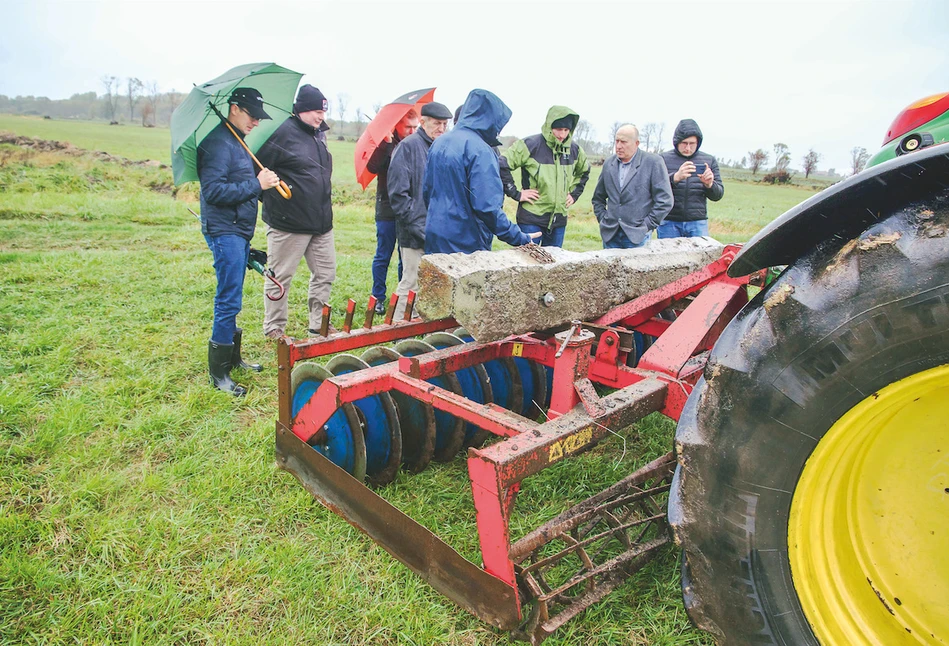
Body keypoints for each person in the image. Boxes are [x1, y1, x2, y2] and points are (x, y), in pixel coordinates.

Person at [197, 87, 281, 396]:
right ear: (234, 108)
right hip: (224, 230)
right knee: (228, 298)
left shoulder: (237, 143)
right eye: (252, 115)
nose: (257, 122)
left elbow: (238, 187)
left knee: (234, 297)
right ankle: (219, 375)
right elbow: (214, 192)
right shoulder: (218, 144)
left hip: (238, 231)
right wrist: (255, 184)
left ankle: (232, 360)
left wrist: (262, 186)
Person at [256, 84, 336, 339]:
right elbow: (256, 172)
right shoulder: (281, 133)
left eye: (322, 111)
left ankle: (317, 323)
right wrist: (276, 202)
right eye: (315, 111)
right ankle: (274, 328)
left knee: (325, 273)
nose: (320, 116)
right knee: (280, 277)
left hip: (321, 222)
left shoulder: (319, 134)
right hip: (287, 223)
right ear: (300, 109)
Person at [423, 89, 539, 254]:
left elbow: (427, 191)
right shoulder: (480, 150)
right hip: (466, 241)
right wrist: (519, 237)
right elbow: (487, 207)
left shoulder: (439, 142)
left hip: (435, 233)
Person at [387, 101, 452, 319]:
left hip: (439, 231)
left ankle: (421, 326)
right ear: (423, 122)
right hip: (414, 232)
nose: (441, 129)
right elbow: (398, 195)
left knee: (435, 284)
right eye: (436, 123)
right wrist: (417, 227)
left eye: (444, 124)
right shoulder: (408, 147)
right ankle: (395, 329)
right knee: (411, 282)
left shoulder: (443, 149)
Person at [499, 106, 591, 247]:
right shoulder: (530, 145)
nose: (562, 135)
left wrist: (574, 194)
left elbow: (584, 171)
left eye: (566, 130)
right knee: (527, 262)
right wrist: (516, 193)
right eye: (559, 129)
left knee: (554, 265)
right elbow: (502, 164)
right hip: (531, 218)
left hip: (558, 221)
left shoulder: (575, 150)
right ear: (550, 126)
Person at [367, 110, 419, 313]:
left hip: (407, 209)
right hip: (387, 209)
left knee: (404, 256)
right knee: (383, 254)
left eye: (415, 127)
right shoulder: (387, 143)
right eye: (408, 127)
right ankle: (378, 296)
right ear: (396, 125)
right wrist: (386, 143)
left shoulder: (416, 145)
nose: (412, 131)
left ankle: (401, 296)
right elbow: (373, 167)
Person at [591, 124, 672, 249]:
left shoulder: (653, 163)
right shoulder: (609, 164)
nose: (618, 146)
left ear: (636, 143)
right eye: (617, 141)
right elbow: (598, 198)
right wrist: (603, 219)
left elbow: (665, 201)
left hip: (638, 237)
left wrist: (647, 225)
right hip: (610, 235)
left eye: (623, 142)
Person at [658, 119, 724, 238]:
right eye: (684, 143)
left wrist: (709, 185)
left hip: (697, 223)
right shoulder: (662, 159)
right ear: (677, 142)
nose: (688, 148)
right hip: (669, 222)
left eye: (692, 143)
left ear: (698, 142)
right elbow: (652, 188)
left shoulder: (709, 160)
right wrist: (675, 178)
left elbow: (718, 195)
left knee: (699, 256)